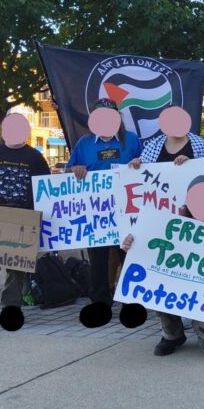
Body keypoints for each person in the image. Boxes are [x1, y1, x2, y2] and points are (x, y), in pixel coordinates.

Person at [121, 175, 204, 358]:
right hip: (178, 291)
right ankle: (172, 334)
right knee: (158, 284)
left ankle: (203, 324)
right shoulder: (174, 225)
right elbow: (149, 253)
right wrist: (133, 243)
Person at [0, 115, 51, 318]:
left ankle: (11, 307)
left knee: (17, 270)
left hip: (24, 218)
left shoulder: (35, 157)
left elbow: (46, 188)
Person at [67, 98, 141, 307]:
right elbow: (69, 170)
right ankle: (100, 300)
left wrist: (139, 163)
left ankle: (131, 298)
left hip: (126, 208)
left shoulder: (131, 140)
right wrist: (75, 169)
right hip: (96, 210)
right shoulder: (84, 143)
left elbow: (148, 168)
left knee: (128, 253)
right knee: (98, 258)